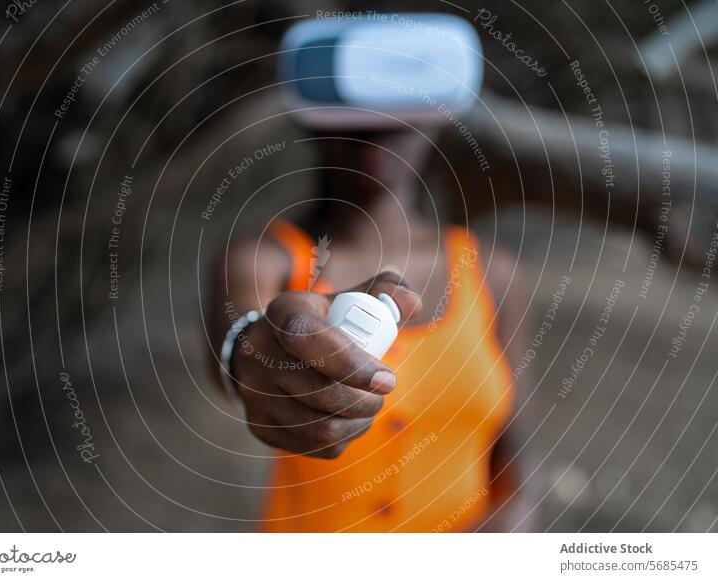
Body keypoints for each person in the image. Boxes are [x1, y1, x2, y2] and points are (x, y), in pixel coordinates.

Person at [207, 14, 526, 532]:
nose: (376, 120)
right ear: (310, 120)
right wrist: (255, 361)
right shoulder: (264, 260)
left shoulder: (493, 273)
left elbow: (515, 459)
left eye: (400, 102)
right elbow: (238, 346)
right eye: (351, 106)